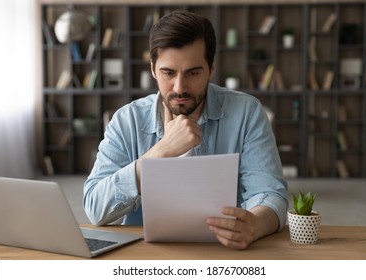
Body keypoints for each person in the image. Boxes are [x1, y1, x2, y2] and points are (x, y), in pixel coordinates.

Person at [83, 10, 288, 250]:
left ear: (211, 68)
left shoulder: (247, 112)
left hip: (226, 252)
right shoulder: (127, 120)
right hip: (147, 255)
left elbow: (271, 194)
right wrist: (160, 153)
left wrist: (254, 224)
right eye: (168, 73)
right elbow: (95, 208)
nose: (180, 87)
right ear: (152, 69)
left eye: (193, 73)